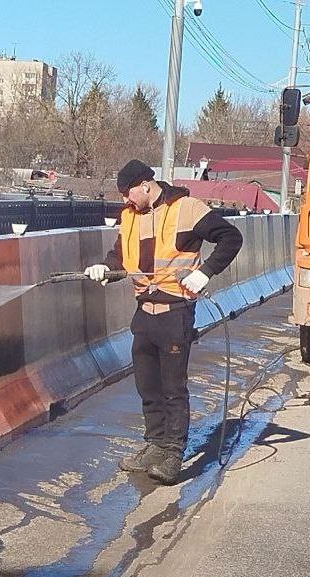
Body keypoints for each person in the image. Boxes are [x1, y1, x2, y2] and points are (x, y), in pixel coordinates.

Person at [84, 159, 243, 485]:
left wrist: (205, 272)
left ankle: (172, 452)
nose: (126, 200)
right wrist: (105, 268)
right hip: (144, 312)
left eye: (128, 193)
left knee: (173, 387)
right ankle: (155, 444)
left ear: (145, 185)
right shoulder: (130, 216)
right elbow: (120, 256)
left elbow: (231, 237)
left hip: (175, 312)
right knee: (148, 385)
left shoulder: (186, 208)